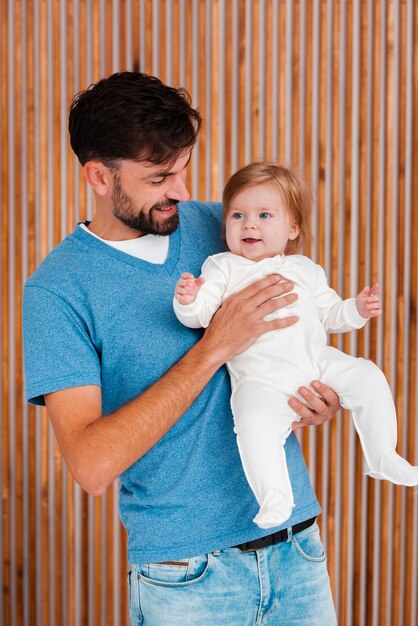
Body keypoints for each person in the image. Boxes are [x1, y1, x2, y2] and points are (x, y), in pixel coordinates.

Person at [23, 72, 340, 625]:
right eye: (160, 177)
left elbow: (298, 328)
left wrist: (311, 397)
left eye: (185, 168)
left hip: (298, 548)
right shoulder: (58, 289)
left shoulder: (226, 227)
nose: (183, 192)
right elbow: (91, 466)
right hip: (188, 580)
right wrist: (212, 346)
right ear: (98, 176)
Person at [174, 161, 418, 530]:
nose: (249, 224)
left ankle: (382, 454)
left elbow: (330, 315)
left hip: (317, 363)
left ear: (292, 227)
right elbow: (201, 316)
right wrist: (189, 299)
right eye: (237, 215)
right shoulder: (222, 267)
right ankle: (275, 496)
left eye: (264, 215)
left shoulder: (305, 269)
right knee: (252, 422)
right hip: (260, 378)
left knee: (368, 376)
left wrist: (358, 308)